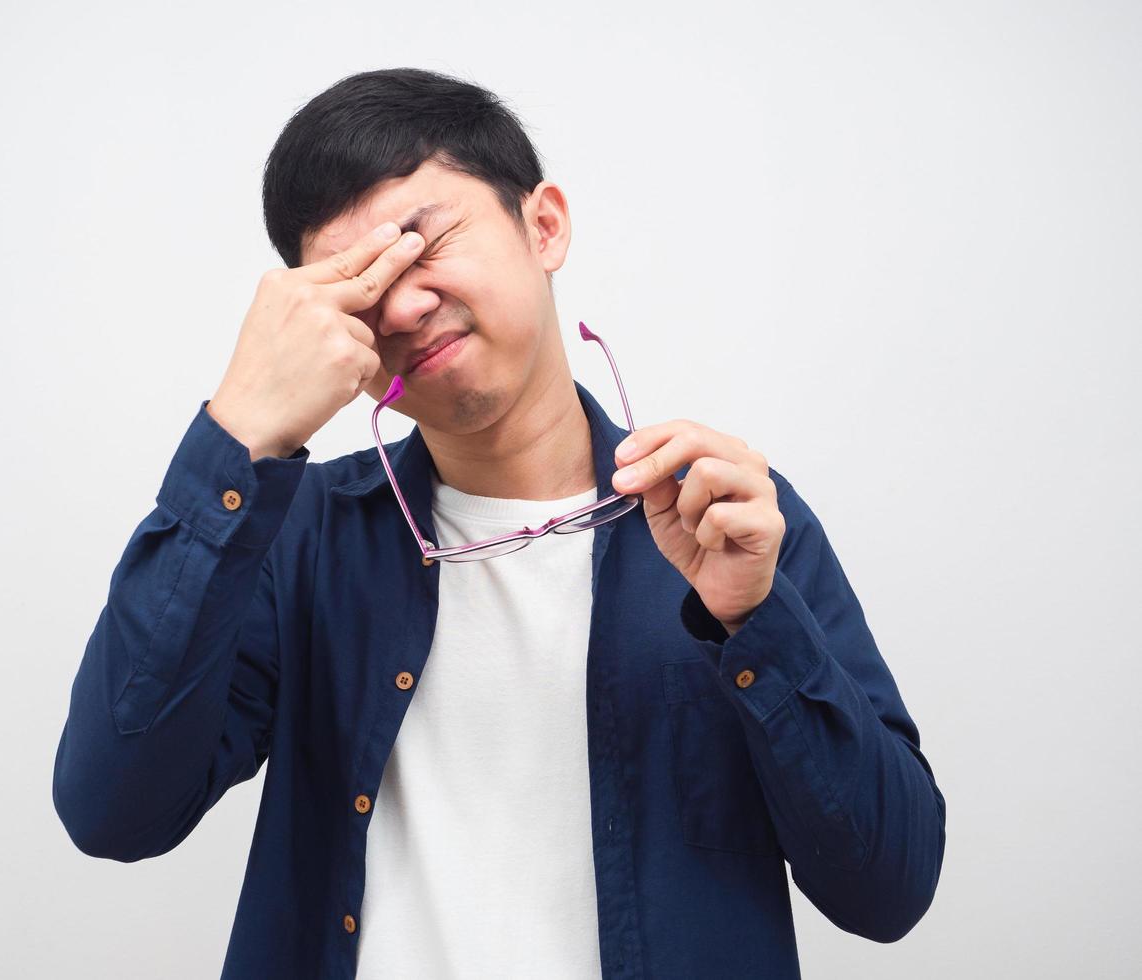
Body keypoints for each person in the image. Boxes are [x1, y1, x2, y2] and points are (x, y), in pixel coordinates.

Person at [51, 66, 945, 979]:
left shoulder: (730, 518)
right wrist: (237, 433)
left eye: (420, 242)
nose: (400, 304)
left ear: (543, 225)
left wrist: (752, 620)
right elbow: (114, 811)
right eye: (358, 285)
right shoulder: (299, 537)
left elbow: (889, 889)